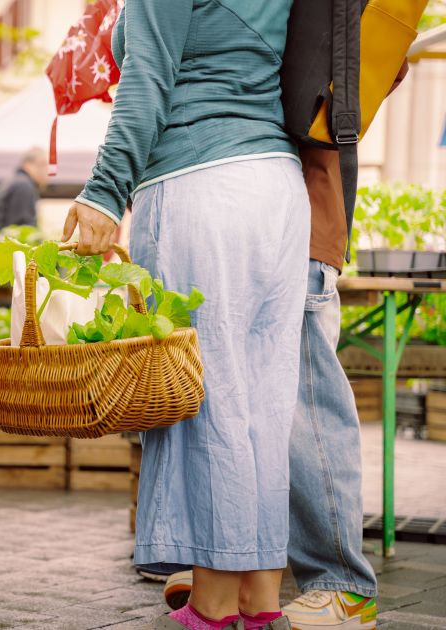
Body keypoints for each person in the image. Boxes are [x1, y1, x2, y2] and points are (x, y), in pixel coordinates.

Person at [64, 2, 308, 629]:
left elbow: (147, 79)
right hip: (278, 189)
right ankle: (257, 597)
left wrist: (103, 192)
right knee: (263, 403)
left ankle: (213, 604)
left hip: (202, 183)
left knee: (211, 401)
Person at [156, 61, 412, 630]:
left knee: (304, 396)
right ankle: (229, 561)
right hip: (245, 208)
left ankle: (341, 584)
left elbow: (379, 63)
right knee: (230, 394)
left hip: (300, 208)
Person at [0, 147, 48, 230]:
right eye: (43, 164)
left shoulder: (9, 182)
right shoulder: (24, 186)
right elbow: (24, 227)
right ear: (28, 164)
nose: (47, 171)